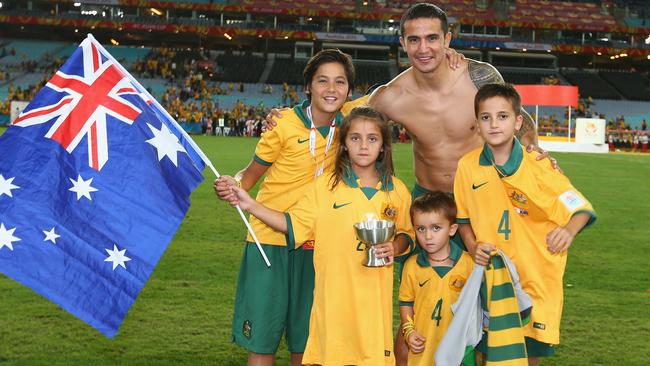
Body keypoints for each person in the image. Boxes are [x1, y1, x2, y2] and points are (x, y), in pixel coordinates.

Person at [265, 4, 550, 363]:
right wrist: (287, 114)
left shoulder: (480, 78)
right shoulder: (391, 96)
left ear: (448, 39)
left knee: (494, 300)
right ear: (402, 43)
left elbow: (519, 120)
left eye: (433, 38)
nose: (424, 48)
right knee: (414, 306)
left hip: (481, 202)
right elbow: (339, 113)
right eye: (413, 40)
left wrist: (536, 153)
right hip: (427, 205)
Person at [225, 106, 415, 365]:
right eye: (355, 138)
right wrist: (250, 205)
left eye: (372, 139)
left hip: (374, 308)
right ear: (344, 144)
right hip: (332, 305)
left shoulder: (397, 191)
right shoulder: (326, 186)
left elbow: (407, 233)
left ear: (383, 146)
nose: (363, 145)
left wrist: (395, 246)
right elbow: (290, 223)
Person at [213, 49, 360, 366]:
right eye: (322, 81)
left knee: (308, 344)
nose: (331, 89)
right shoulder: (282, 125)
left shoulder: (351, 131)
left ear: (349, 91)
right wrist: (233, 185)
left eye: (340, 82)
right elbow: (249, 176)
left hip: (318, 246)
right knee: (263, 342)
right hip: (269, 242)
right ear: (308, 86)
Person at [454, 83, 596, 365]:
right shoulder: (467, 167)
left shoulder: (540, 165)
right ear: (477, 124)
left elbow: (580, 208)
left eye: (503, 116)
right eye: (486, 117)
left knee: (527, 357)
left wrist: (568, 230)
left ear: (518, 121)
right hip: (491, 281)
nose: (494, 124)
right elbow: (463, 221)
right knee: (486, 355)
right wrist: (473, 246)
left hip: (534, 281)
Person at [398, 191, 475, 366]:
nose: (428, 236)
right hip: (422, 349)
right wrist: (409, 332)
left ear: (452, 229)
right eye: (421, 229)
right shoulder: (412, 265)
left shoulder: (469, 264)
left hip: (458, 350)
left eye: (436, 228)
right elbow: (406, 302)